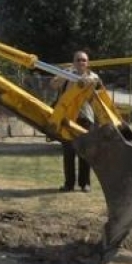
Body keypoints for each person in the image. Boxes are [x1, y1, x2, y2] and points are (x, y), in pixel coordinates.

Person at [51, 50, 99, 193]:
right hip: (67, 119)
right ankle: (69, 184)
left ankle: (85, 184)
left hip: (86, 119)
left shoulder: (93, 76)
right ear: (74, 62)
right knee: (68, 152)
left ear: (87, 63)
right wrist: (64, 75)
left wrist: (86, 82)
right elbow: (53, 85)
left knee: (85, 152)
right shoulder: (66, 75)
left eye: (83, 60)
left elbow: (97, 86)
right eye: (78, 60)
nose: (81, 63)